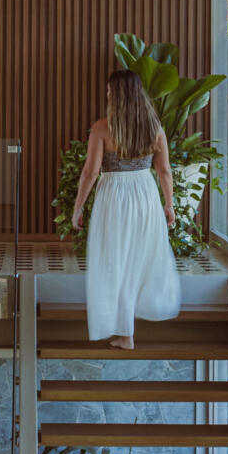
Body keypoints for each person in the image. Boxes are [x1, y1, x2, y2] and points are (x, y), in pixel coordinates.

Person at [68, 69, 181, 349]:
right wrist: (169, 204)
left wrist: (77, 207)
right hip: (145, 195)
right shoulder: (154, 128)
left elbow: (89, 173)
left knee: (113, 259)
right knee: (136, 260)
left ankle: (124, 332)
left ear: (116, 95)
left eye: (109, 91)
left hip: (114, 197)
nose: (107, 95)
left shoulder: (102, 128)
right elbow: (164, 170)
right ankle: (126, 331)